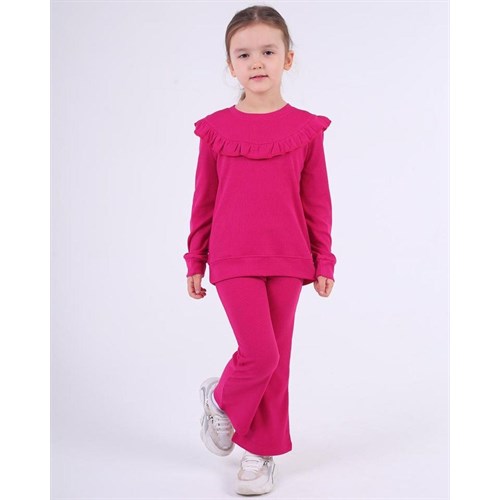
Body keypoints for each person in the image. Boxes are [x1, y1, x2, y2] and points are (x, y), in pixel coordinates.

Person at [183, 4, 337, 496]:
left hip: (289, 259)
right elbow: (204, 198)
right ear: (230, 65)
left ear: (288, 58)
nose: (256, 62)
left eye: (268, 52)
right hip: (232, 258)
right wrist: (195, 258)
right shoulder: (215, 130)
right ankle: (222, 400)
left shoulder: (306, 129)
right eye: (244, 54)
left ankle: (260, 451)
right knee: (260, 354)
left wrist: (324, 258)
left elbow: (316, 200)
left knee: (278, 360)